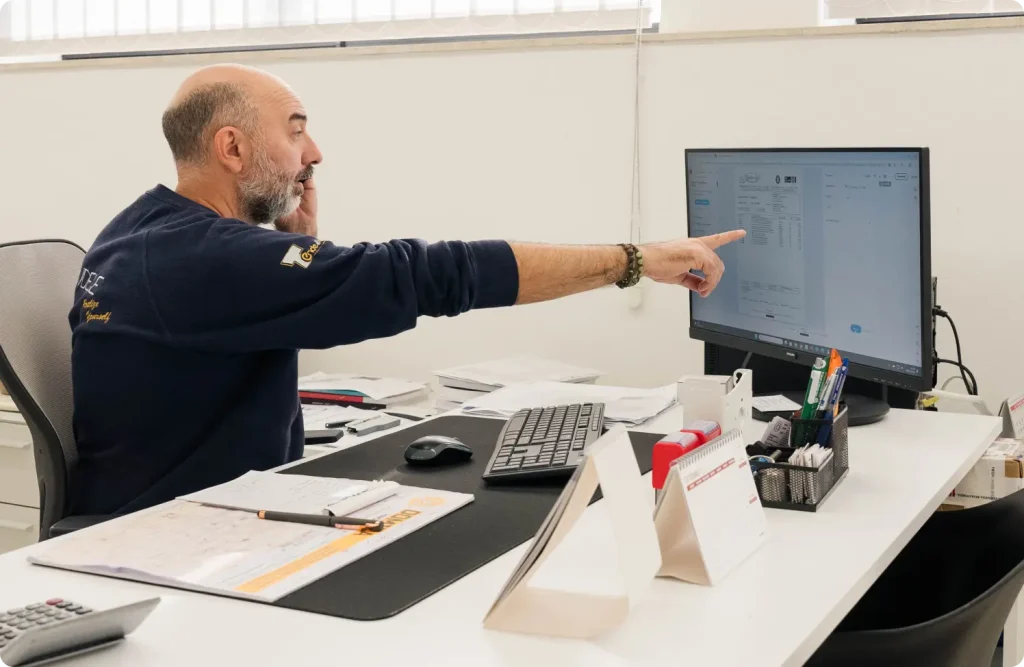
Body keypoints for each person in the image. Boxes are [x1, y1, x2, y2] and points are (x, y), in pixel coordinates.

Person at [68, 64, 745, 516]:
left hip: (201, 511)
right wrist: (633, 260)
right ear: (232, 148)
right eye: (296, 130)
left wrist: (296, 248)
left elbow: (253, 297)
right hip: (175, 537)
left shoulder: (142, 233)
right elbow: (425, 274)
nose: (314, 153)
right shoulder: (202, 258)